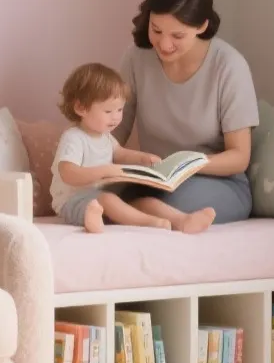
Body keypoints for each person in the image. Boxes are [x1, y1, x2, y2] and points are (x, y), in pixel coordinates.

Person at [115, 0, 257, 225]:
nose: (164, 44)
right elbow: (114, 129)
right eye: (156, 30)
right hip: (153, 180)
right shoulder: (137, 57)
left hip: (217, 183)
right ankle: (138, 209)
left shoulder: (229, 66)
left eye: (177, 36)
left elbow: (239, 156)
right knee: (95, 195)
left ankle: (167, 218)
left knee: (160, 201)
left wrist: (189, 165)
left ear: (202, 25)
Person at [51, 63, 215, 234]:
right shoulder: (74, 137)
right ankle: (150, 223)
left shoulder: (104, 137)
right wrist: (106, 171)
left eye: (120, 109)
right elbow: (68, 173)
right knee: (106, 200)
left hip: (105, 196)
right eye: (108, 111)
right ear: (81, 108)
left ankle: (183, 220)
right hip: (73, 201)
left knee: (145, 202)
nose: (115, 117)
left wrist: (143, 159)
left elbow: (120, 153)